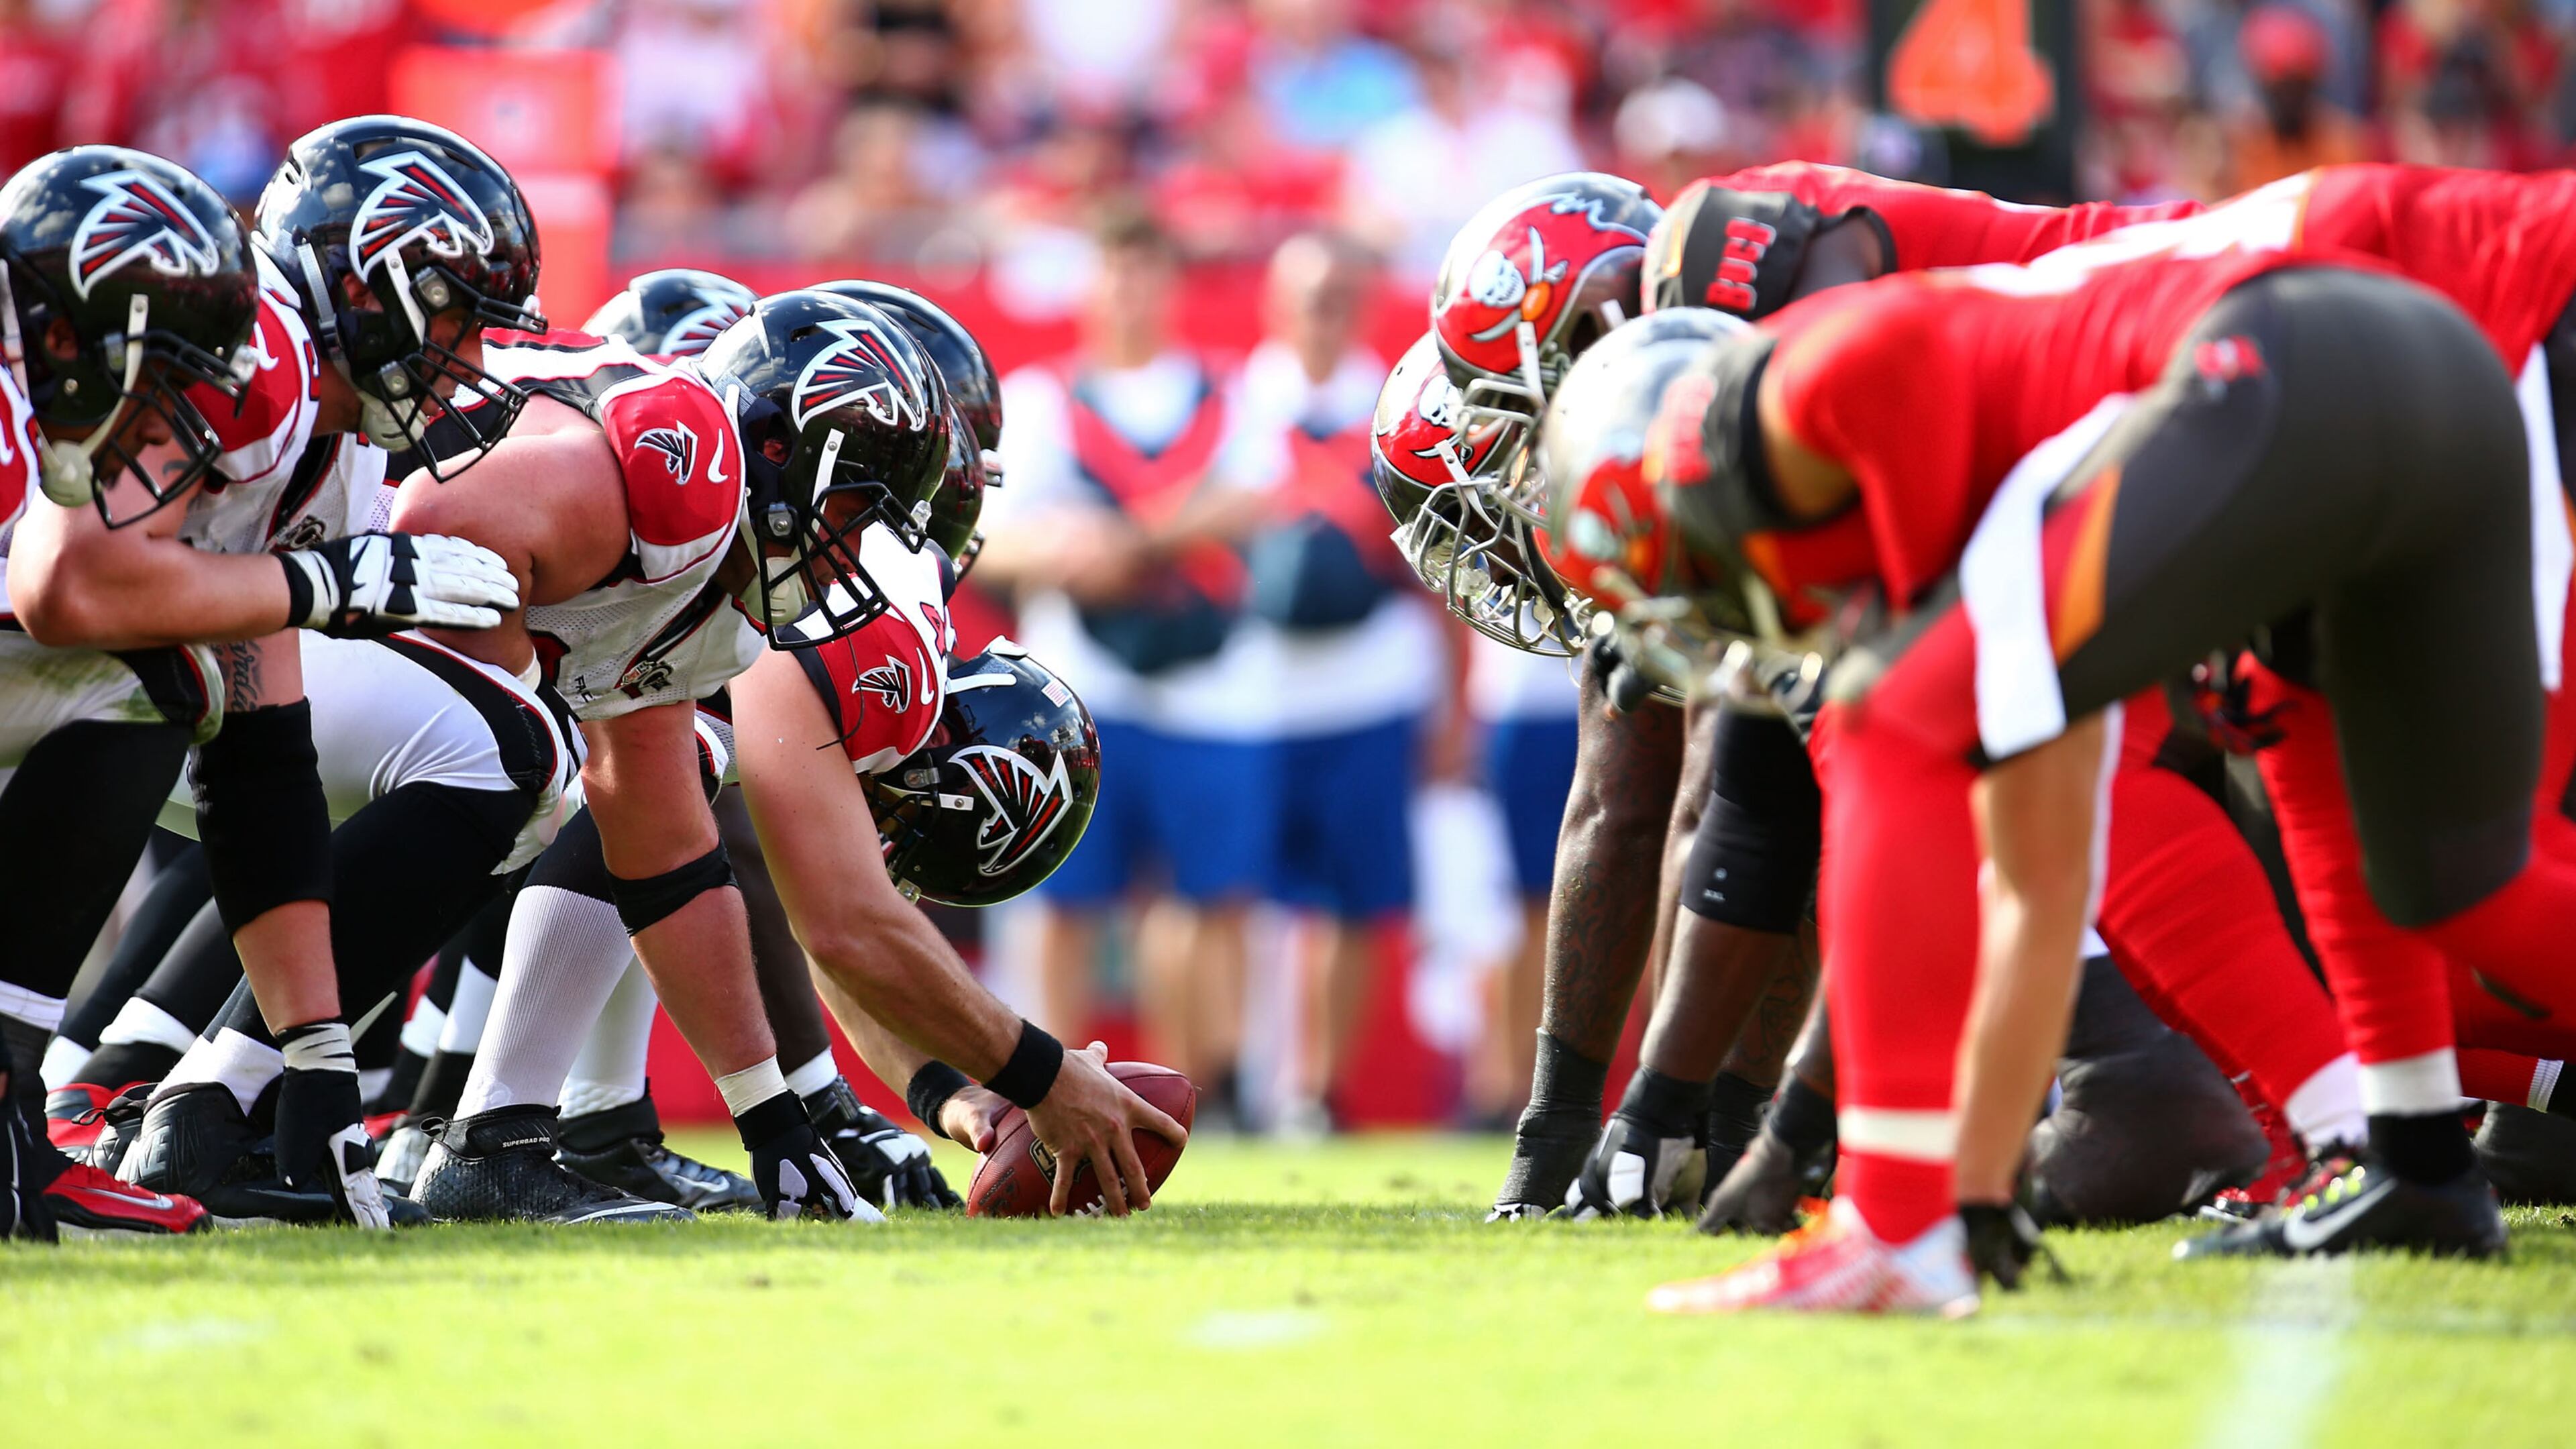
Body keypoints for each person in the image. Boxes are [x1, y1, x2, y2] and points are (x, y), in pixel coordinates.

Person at [1560, 246, 2534, 1311]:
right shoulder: (1984, 448)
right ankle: (2418, 1173)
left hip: (2290, 361)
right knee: (2471, 885)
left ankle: (1891, 1228)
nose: (1759, 629)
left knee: (1887, 718)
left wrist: (1819, 1139)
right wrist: (1979, 1189)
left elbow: (1914, 729)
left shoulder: (1824, 377)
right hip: (2442, 374)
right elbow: (2041, 863)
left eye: (1709, 589)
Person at [0, 138, 523, 1238]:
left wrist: (318, 1062)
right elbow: (72, 587)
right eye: (454, 313)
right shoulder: (257, 363)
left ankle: (54, 1094)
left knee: (193, 679)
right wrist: (321, 581)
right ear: (366, 284)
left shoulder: (336, 449)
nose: (474, 351)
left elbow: (263, 755)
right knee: (157, 664)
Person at [976, 205, 1274, 1126]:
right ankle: (1056, 1096)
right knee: (1068, 903)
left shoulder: (1229, 393)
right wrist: (1065, 550)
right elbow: (990, 544)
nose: (1130, 293)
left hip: (1213, 683)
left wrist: (1129, 538)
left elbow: (1254, 500)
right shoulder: (1040, 400)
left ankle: (1193, 1094)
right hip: (1080, 687)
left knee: (1206, 900)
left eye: (1146, 272)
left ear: (1172, 285)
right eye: (1114, 272)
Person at [1219, 231, 1436, 1128]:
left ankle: (1318, 1089)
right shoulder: (1230, 403)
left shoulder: (1402, 406)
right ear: (1275, 300)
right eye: (1309, 295)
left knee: (1354, 899)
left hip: (1367, 681)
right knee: (1227, 892)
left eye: (1341, 295)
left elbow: (1438, 568)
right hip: (1249, 688)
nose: (1323, 314)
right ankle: (1229, 1076)